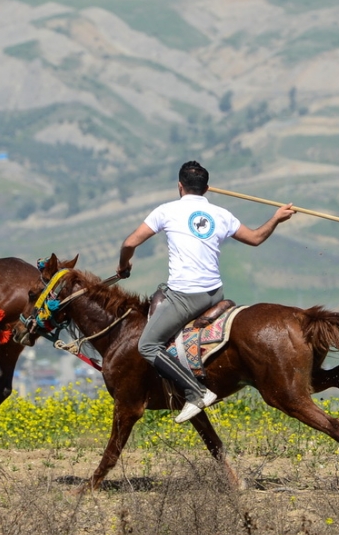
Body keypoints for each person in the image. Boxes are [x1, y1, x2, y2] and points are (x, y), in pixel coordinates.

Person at [117, 161, 295, 423]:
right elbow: (256, 238)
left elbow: (130, 242)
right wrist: (277, 218)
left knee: (147, 344)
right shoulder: (222, 215)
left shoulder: (166, 211)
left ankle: (196, 391)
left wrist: (124, 265)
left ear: (179, 186)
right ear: (207, 189)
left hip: (186, 297)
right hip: (215, 294)